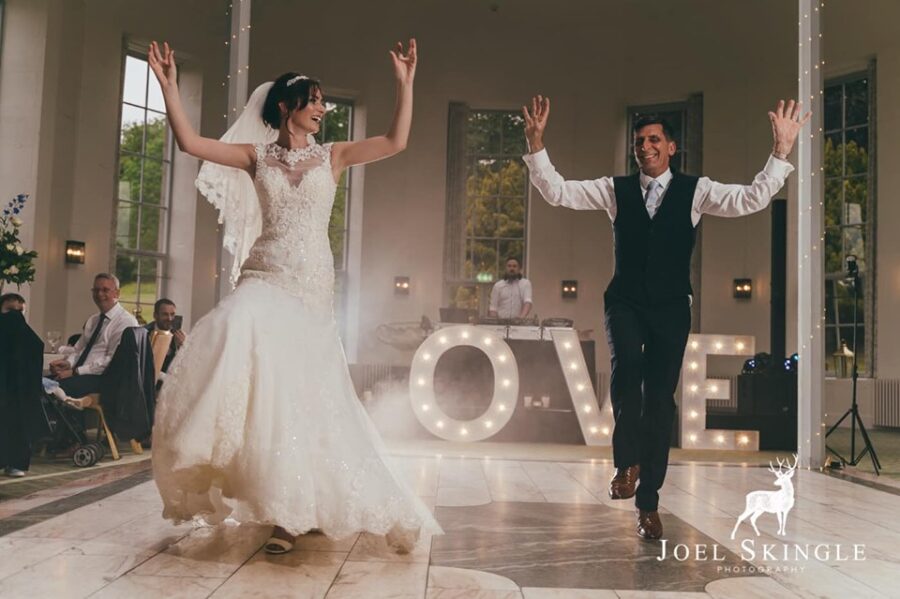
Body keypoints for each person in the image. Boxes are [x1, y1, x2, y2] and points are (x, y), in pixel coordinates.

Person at [147, 39, 440, 555]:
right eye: (315, 100)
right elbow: (192, 143)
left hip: (311, 287)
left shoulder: (335, 155)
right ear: (288, 107)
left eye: (324, 101)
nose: (323, 109)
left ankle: (293, 514)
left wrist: (406, 83)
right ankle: (257, 486)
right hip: (264, 275)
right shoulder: (255, 157)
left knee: (301, 396)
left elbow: (396, 140)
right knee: (238, 326)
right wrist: (169, 86)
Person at [522, 94, 809, 540]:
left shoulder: (697, 191)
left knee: (659, 400)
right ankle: (626, 464)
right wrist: (536, 145)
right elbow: (558, 191)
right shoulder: (613, 190)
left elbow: (751, 199)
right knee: (626, 369)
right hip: (625, 302)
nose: (645, 146)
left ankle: (648, 503)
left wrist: (781, 153)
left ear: (671, 147)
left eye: (654, 139)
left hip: (672, 306)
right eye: (639, 141)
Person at [48, 273, 139, 398]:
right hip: (81, 375)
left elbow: (112, 360)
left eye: (105, 290)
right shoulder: (93, 319)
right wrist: (68, 363)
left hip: (105, 378)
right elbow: (78, 350)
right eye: (96, 290)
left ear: (117, 294)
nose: (99, 294)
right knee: (38, 383)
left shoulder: (126, 322)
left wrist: (75, 372)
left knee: (51, 388)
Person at [145, 298, 184, 378]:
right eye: (165, 314)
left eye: (172, 314)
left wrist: (181, 347)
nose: (169, 319)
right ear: (155, 315)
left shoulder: (180, 335)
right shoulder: (144, 333)